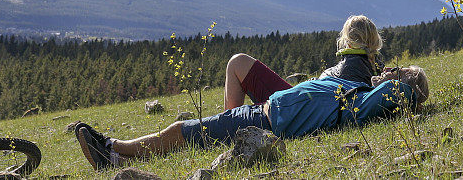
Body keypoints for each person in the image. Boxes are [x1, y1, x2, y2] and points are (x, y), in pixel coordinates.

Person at [76, 65, 430, 171]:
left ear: (399, 85)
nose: (385, 70)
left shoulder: (372, 99)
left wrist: (408, 87)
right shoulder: (359, 92)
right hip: (262, 113)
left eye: (394, 71)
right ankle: (115, 152)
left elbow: (399, 92)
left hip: (263, 122)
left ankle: (112, 152)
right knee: (185, 131)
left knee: (180, 132)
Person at [224, 15, 383, 110]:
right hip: (305, 107)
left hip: (294, 106)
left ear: (347, 41)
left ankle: (229, 123)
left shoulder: (347, 67)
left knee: (237, 62)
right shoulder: (376, 70)